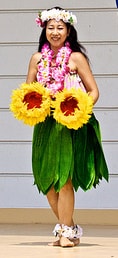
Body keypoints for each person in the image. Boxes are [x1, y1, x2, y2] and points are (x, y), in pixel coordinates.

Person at [26, 6, 109, 247]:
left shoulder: (76, 58)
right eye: (50, 28)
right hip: (45, 125)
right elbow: (28, 91)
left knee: (65, 180)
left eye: (60, 28)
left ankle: (65, 233)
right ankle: (69, 228)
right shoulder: (36, 59)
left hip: (69, 123)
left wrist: (78, 109)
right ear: (44, 30)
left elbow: (94, 92)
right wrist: (34, 105)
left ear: (68, 30)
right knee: (48, 183)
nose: (55, 32)